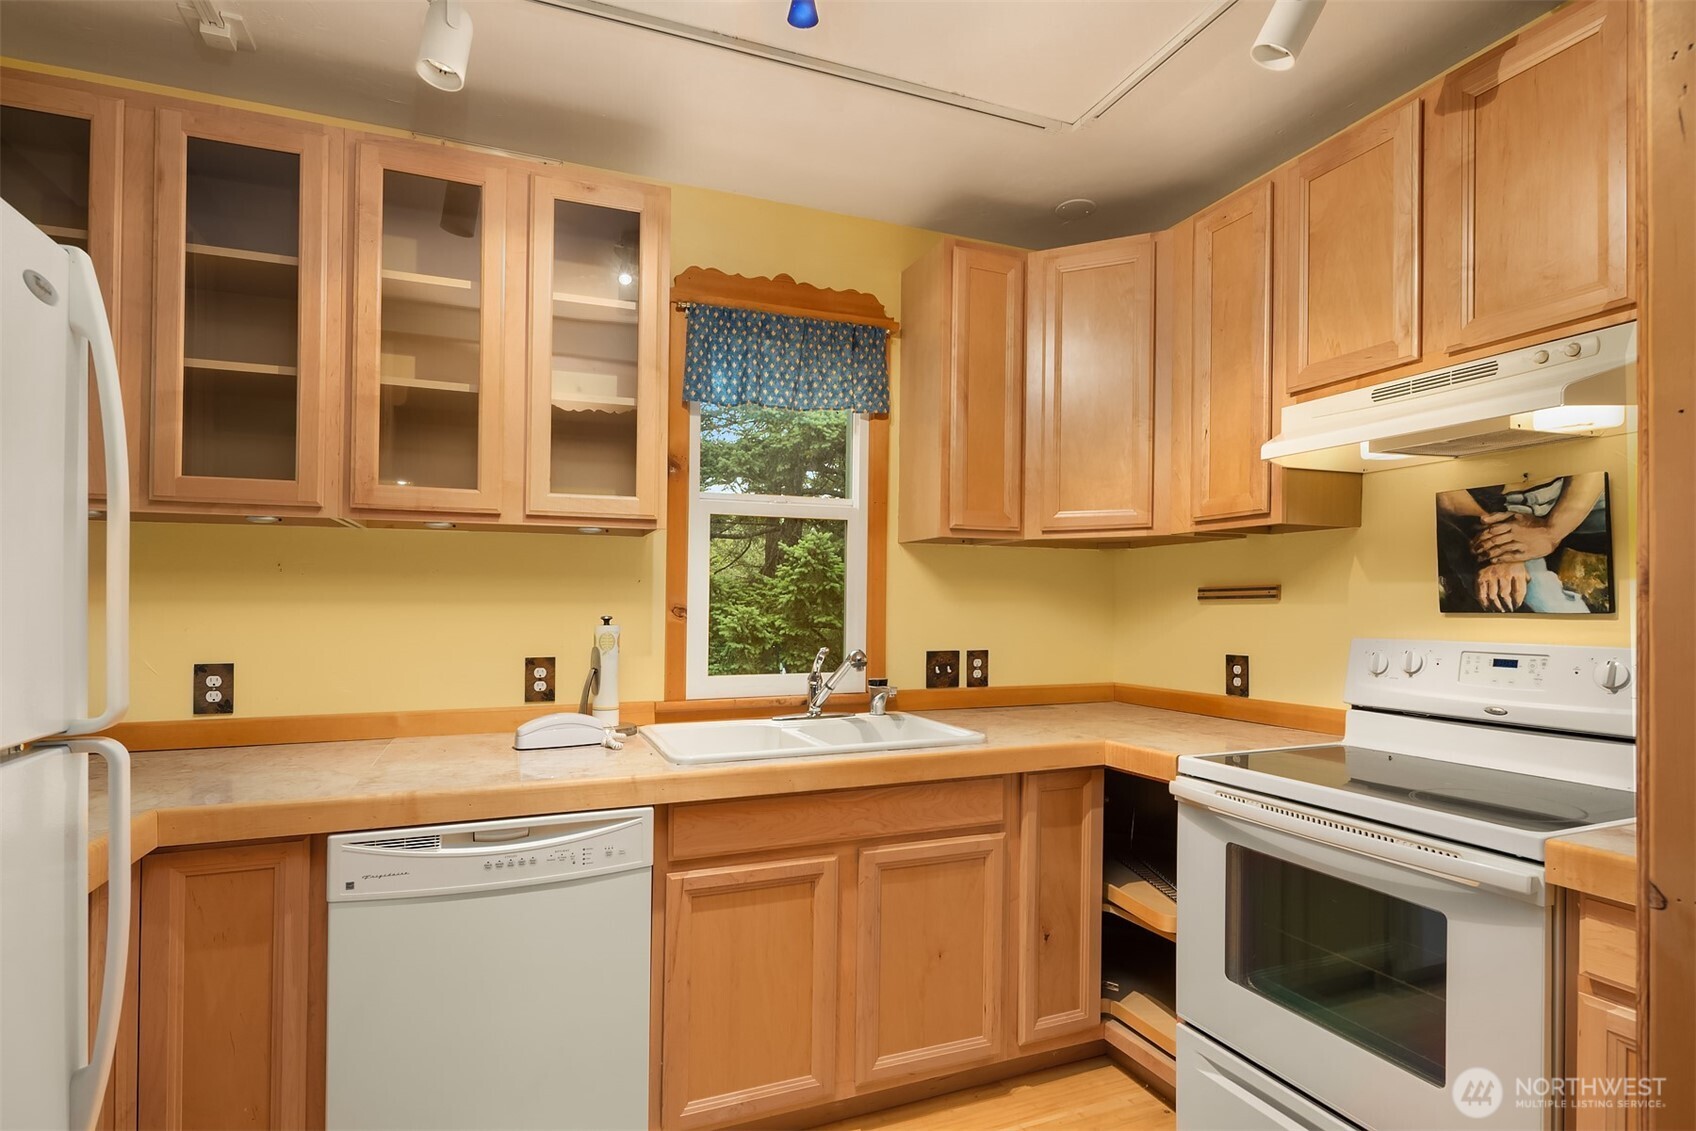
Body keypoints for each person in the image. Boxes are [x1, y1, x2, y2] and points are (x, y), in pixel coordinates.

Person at [1436, 473, 1608, 613]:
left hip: (1567, 491)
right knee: (1542, 603)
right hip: (1487, 510)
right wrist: (1499, 549)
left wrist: (1552, 531)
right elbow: (1444, 491)